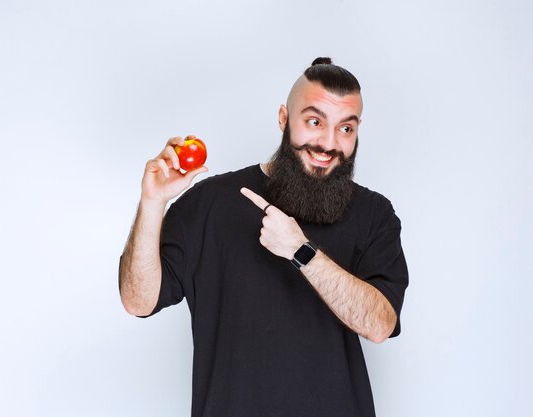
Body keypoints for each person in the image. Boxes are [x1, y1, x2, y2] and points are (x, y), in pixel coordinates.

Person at [119, 57, 409, 417]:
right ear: (284, 119)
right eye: (314, 122)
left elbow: (380, 324)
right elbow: (137, 300)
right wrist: (152, 203)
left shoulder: (374, 214)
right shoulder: (210, 204)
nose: (329, 143)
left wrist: (301, 251)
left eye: (346, 129)